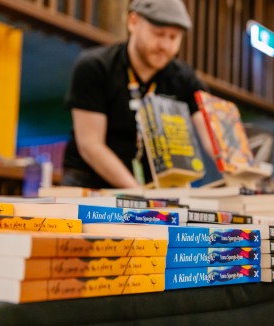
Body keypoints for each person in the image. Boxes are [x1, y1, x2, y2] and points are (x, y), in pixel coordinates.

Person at [61, 0, 212, 189]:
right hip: (90, 182)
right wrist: (138, 194)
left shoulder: (184, 79)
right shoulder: (95, 67)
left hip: (150, 187)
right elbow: (90, 145)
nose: (165, 45)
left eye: (174, 38)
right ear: (133, 22)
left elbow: (213, 136)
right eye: (158, 34)